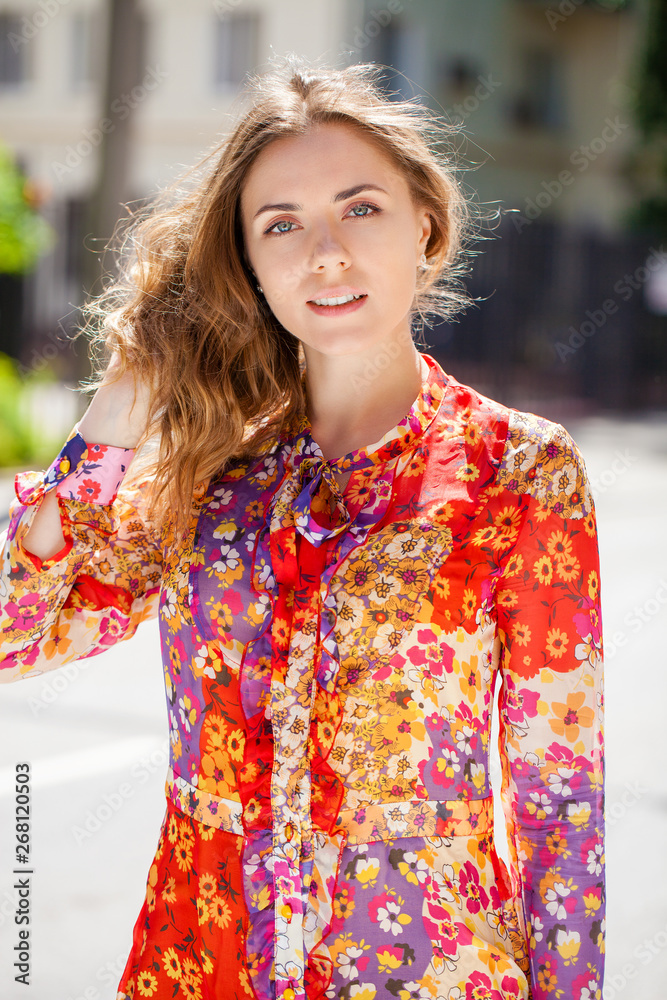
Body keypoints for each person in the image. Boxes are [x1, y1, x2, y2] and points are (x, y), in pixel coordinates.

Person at [0, 57, 604, 1000]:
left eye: (359, 208)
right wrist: (119, 406)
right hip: (201, 965)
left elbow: (557, 794)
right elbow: (16, 633)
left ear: (426, 226)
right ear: (246, 264)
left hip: (423, 973)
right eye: (280, 225)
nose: (325, 252)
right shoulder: (209, 473)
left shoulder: (518, 472)